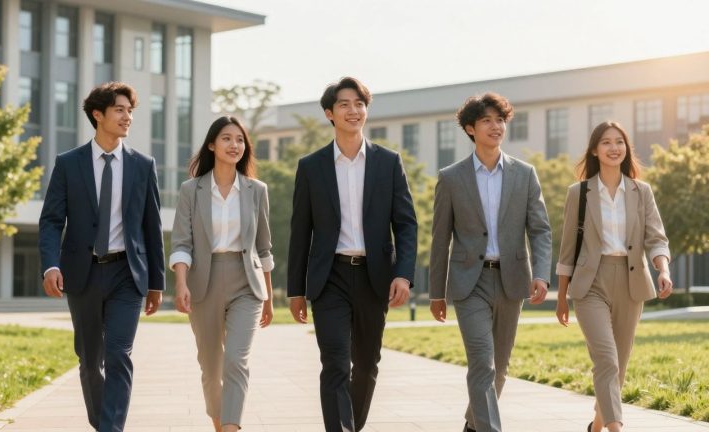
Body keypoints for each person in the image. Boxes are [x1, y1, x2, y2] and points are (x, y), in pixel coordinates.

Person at [287, 76, 418, 431]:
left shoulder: (388, 163)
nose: (353, 110)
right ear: (330, 113)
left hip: (375, 277)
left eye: (359, 103)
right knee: (334, 363)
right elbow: (301, 232)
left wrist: (403, 274)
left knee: (366, 364)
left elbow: (406, 223)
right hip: (329, 278)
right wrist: (295, 290)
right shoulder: (311, 167)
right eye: (344, 104)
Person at [39, 81, 165, 432]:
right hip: (84, 274)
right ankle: (102, 424)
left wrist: (156, 282)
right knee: (90, 361)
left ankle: (111, 429)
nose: (128, 117)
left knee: (119, 354)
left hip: (128, 273)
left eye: (130, 111)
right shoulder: (69, 164)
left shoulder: (142, 165)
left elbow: (151, 227)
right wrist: (50, 264)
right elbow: (51, 220)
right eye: (120, 110)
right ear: (98, 115)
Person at [428, 92, 552, 432]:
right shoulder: (451, 178)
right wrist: (436, 293)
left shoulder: (524, 174)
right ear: (471, 128)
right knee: (481, 362)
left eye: (500, 120)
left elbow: (540, 230)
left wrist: (541, 274)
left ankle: (474, 425)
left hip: (512, 280)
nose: (496, 127)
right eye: (487, 120)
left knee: (499, 367)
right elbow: (441, 240)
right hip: (470, 281)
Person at [555, 121, 672, 432]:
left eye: (619, 142)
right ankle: (616, 427)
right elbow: (568, 249)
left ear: (626, 148)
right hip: (589, 283)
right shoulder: (578, 193)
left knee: (619, 363)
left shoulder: (640, 191)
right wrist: (562, 297)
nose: (613, 147)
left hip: (631, 282)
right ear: (595, 149)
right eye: (606, 142)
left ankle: (596, 426)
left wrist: (663, 269)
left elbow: (656, 237)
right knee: (606, 359)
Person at [169, 115, 274, 432]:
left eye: (240, 140)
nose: (234, 145)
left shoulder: (257, 190)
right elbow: (182, 242)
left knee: (235, 361)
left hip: (247, 283)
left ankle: (231, 427)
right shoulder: (192, 190)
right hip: (204, 281)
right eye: (227, 138)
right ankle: (219, 423)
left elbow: (264, 247)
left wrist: (267, 298)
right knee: (211, 367)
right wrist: (181, 283)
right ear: (212, 145)